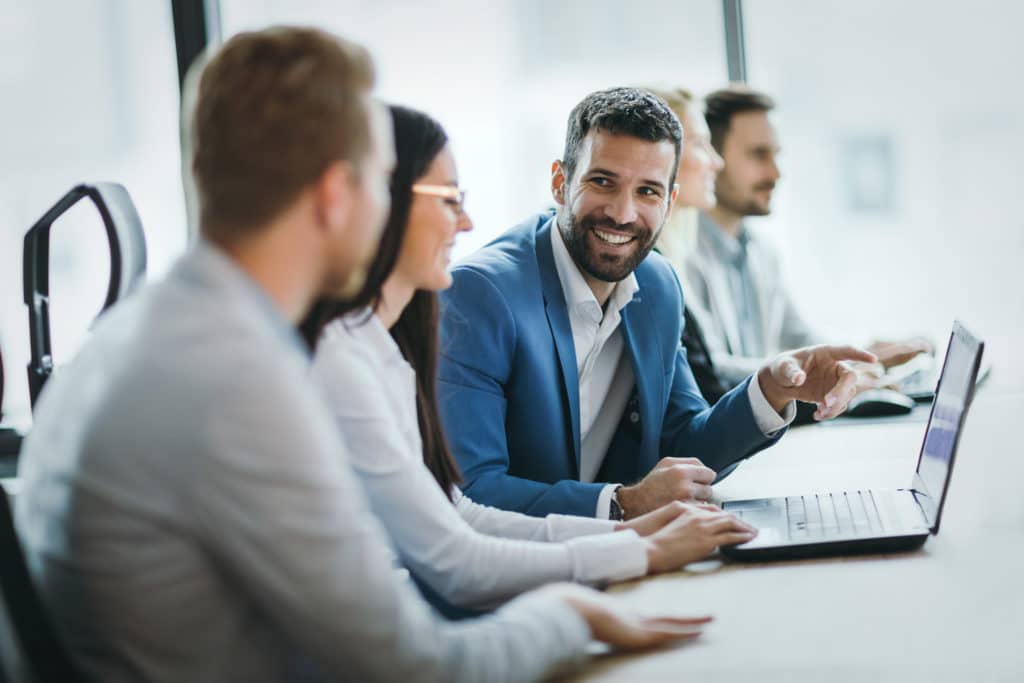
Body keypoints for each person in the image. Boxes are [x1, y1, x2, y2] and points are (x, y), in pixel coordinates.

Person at [14, 29, 708, 683]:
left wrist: (620, 544)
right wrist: (572, 610)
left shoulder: (173, 329)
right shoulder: (241, 379)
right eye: (384, 182)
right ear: (336, 194)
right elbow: (418, 664)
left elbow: (446, 526)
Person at [301, 104, 757, 616]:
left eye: (648, 191)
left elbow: (460, 520)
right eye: (449, 198)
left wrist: (629, 536)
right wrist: (628, 544)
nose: (468, 221)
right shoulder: (375, 345)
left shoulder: (377, 350)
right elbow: (455, 552)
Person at [437, 87, 876, 522]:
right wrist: (623, 504)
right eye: (603, 182)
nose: (623, 213)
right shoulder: (479, 295)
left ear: (670, 200)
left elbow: (686, 444)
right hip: (510, 576)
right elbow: (471, 493)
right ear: (560, 181)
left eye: (647, 191)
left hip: (612, 561)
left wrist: (772, 389)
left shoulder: (658, 284)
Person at [683, 85, 931, 389]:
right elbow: (711, 373)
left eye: (776, 155)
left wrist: (864, 358)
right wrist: (835, 373)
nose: (776, 173)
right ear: (713, 159)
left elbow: (801, 341)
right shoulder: (681, 256)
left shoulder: (762, 253)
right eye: (759, 155)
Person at [645, 86, 732, 404]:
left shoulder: (676, 256)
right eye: (700, 144)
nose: (716, 161)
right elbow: (709, 386)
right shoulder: (648, 269)